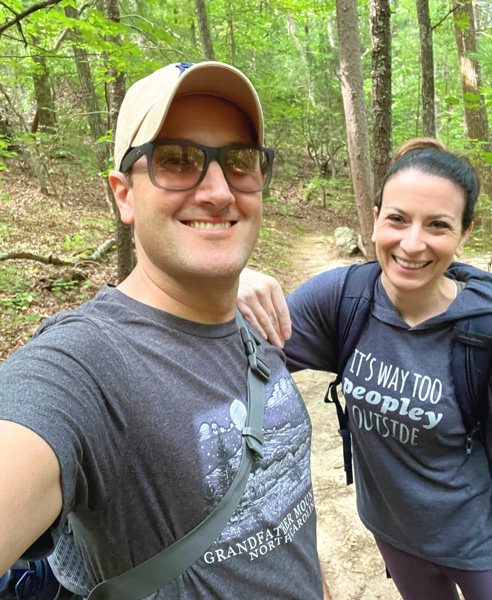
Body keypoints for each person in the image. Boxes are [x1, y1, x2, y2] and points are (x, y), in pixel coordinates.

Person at [0, 61, 328, 599]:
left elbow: (285, 508)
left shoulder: (256, 332)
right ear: (124, 194)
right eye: (178, 160)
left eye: (240, 162)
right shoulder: (85, 364)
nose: (220, 191)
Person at [237, 138, 492, 600]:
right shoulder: (344, 298)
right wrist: (226, 283)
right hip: (393, 531)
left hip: (479, 541)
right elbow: (232, 357)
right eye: (397, 219)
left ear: (464, 234)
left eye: (437, 225)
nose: (412, 243)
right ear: (374, 220)